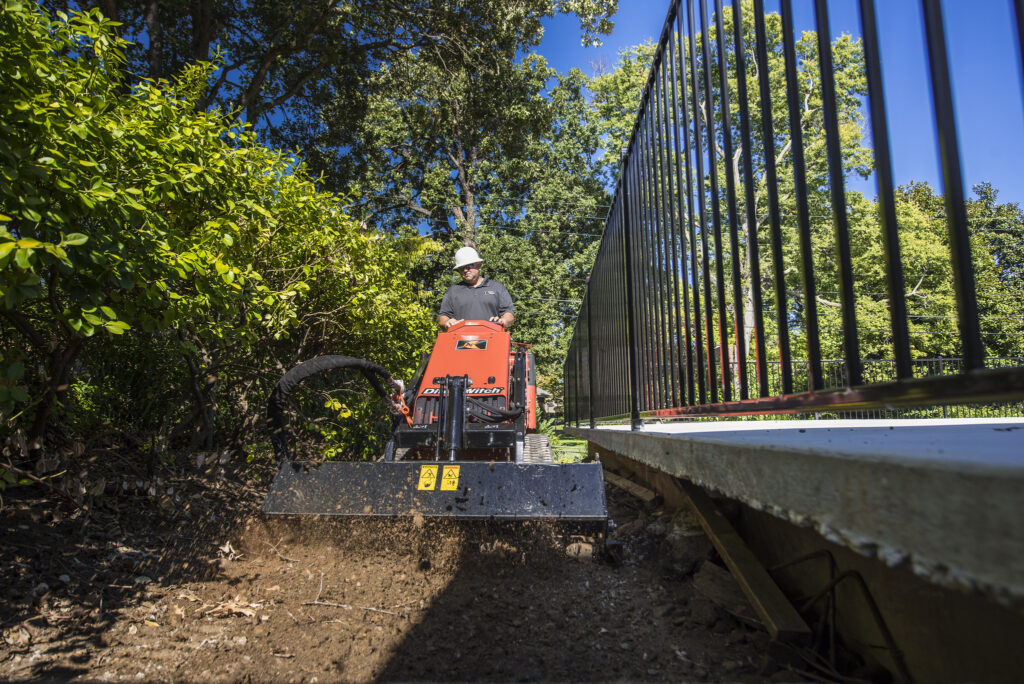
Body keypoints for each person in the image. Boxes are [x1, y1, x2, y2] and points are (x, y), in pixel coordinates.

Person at [438, 246, 514, 331]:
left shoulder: (497, 288)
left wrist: (503, 320)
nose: (465, 270)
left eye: (468, 266)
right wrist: (447, 322)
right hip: (460, 341)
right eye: (461, 268)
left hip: (493, 339)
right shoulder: (452, 291)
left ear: (478, 265)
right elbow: (443, 317)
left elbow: (509, 314)